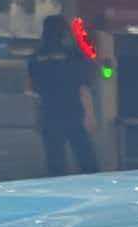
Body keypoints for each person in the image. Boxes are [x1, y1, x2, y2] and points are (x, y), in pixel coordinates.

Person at [26, 13, 101, 174]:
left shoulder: (35, 57)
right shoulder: (73, 54)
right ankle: (94, 184)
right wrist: (90, 114)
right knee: (85, 156)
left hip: (49, 111)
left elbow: (33, 90)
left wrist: (37, 116)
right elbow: (84, 84)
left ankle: (57, 184)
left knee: (55, 159)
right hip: (72, 110)